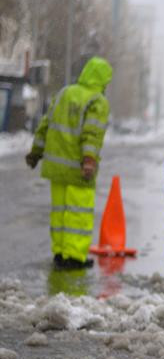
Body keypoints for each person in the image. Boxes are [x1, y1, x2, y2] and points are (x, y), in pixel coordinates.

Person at [25, 56, 113, 270]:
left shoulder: (65, 93)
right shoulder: (97, 101)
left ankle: (60, 253)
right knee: (78, 214)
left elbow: (46, 124)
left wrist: (36, 152)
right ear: (103, 79)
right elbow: (91, 134)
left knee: (59, 212)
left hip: (56, 169)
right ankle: (74, 257)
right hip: (78, 170)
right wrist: (89, 161)